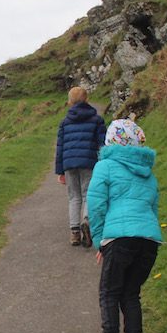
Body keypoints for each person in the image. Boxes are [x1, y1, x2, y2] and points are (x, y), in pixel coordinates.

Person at [86, 118, 162, 333]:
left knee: (109, 292)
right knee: (131, 294)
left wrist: (100, 242)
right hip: (148, 241)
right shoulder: (148, 173)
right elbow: (153, 207)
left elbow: (96, 207)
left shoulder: (105, 166)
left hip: (119, 239)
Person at [55, 86, 106, 246]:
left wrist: (60, 171)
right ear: (87, 99)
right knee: (87, 195)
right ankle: (86, 220)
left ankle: (75, 233)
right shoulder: (96, 120)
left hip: (69, 164)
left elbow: (60, 147)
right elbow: (102, 143)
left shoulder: (65, 122)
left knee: (73, 197)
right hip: (89, 162)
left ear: (70, 102)